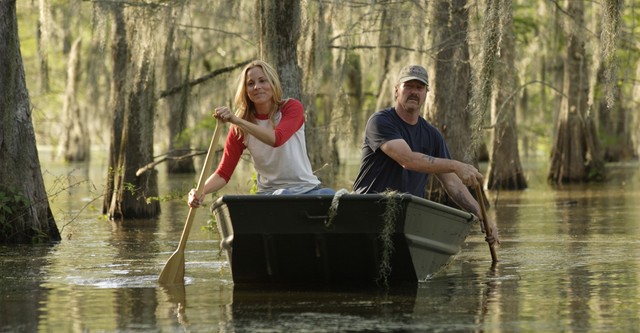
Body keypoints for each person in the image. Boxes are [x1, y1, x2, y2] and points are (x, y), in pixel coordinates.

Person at [352, 64, 499, 244]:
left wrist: (482, 215)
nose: (414, 92)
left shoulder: (432, 135)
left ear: (426, 93)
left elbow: (452, 183)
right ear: (397, 90)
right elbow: (408, 160)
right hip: (367, 214)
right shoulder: (380, 122)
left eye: (419, 87)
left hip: (407, 220)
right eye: (409, 86)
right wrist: (456, 165)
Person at [188, 60, 334, 208]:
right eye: (250, 84)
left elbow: (277, 139)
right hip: (270, 194)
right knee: (283, 196)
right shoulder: (239, 127)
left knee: (332, 195)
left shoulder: (291, 108)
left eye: (262, 81)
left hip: (307, 190)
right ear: (246, 90)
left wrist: (236, 119)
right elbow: (223, 174)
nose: (257, 87)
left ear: (273, 83)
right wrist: (200, 191)